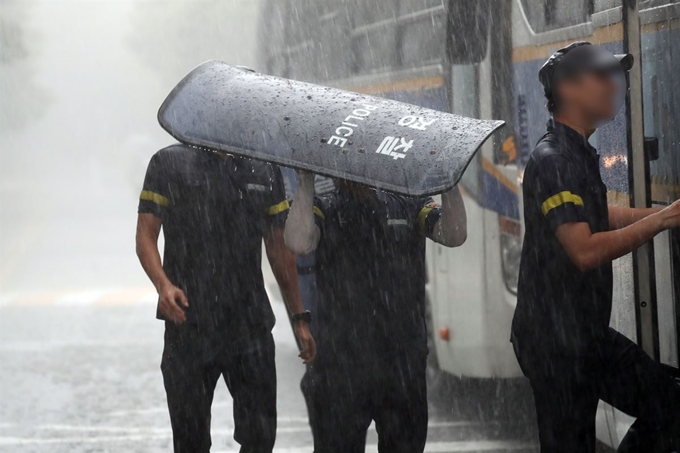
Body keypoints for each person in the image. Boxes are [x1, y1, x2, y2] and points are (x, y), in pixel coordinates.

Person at [511, 41, 680, 453]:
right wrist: (660, 221)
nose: (613, 84)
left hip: (583, 335)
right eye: (601, 76)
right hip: (554, 343)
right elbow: (583, 250)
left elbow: (599, 216)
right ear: (568, 90)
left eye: (613, 75)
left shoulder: (577, 152)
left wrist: (666, 212)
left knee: (671, 405)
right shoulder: (553, 160)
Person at [135, 144, 316, 453]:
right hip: (188, 324)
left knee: (260, 437)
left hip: (249, 325)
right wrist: (163, 286)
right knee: (190, 442)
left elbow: (278, 248)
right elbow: (145, 236)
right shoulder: (169, 163)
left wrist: (299, 317)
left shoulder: (261, 168)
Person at [284, 173, 467, 452]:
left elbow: (454, 234)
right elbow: (298, 243)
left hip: (402, 363)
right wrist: (306, 180)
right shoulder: (327, 204)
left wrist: (449, 183)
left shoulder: (409, 202)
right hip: (341, 366)